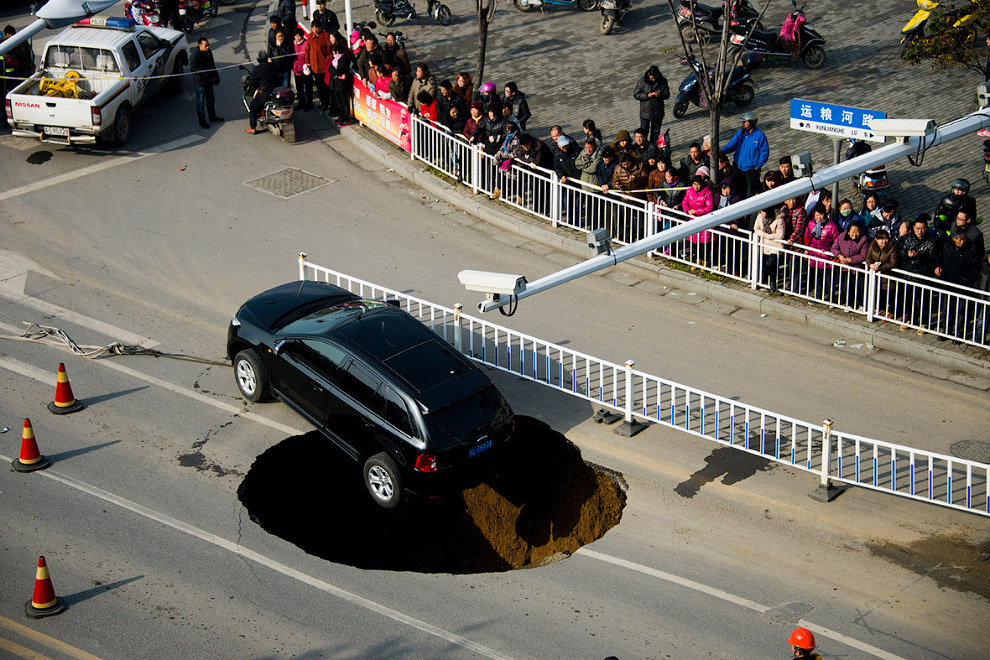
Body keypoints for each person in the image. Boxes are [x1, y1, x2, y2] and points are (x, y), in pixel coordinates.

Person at [935, 229, 983, 341]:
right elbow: (940, 257)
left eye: (964, 239)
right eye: (960, 240)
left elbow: (975, 269)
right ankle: (946, 331)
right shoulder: (947, 246)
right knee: (947, 310)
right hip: (948, 283)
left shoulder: (971, 250)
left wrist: (967, 282)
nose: (962, 242)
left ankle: (960, 334)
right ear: (954, 239)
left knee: (962, 311)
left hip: (963, 286)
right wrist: (937, 266)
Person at [721, 111, 769, 199]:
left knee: (751, 191)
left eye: (745, 122)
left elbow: (764, 152)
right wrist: (722, 151)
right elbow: (732, 144)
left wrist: (757, 167)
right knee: (738, 189)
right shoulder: (740, 133)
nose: (743, 124)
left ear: (751, 123)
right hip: (738, 168)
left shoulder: (760, 136)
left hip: (751, 170)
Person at [804, 203, 842, 298]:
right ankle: (817, 296)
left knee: (829, 279)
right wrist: (806, 250)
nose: (818, 218)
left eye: (820, 215)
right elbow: (807, 238)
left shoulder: (832, 226)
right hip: (814, 256)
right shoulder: (811, 223)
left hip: (827, 257)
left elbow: (836, 242)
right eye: (816, 215)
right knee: (817, 278)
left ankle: (831, 298)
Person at [832, 220, 869, 307]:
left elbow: (863, 255)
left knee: (859, 288)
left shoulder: (864, 240)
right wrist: (840, 256)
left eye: (857, 232)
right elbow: (834, 248)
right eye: (852, 232)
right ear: (848, 231)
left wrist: (849, 260)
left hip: (858, 268)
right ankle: (849, 305)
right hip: (845, 268)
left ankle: (861, 306)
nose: (854, 234)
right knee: (846, 287)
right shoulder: (842, 236)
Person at [189, 37, 223, 129]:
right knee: (200, 103)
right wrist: (202, 72)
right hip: (200, 83)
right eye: (206, 46)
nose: (208, 47)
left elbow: (212, 65)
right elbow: (192, 68)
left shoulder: (209, 53)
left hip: (209, 82)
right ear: (200, 46)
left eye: (208, 45)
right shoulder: (195, 55)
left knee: (211, 100)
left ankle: (212, 116)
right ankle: (202, 121)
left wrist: (216, 77)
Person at [245, 50, 280, 134]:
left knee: (253, 106)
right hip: (276, 91)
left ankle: (252, 128)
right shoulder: (273, 65)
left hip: (266, 93)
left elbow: (253, 81)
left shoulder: (258, 69)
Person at [682, 174, 715, 265]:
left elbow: (709, 208)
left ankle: (705, 261)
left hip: (704, 220)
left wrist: (695, 211)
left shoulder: (708, 193)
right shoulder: (689, 191)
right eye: (694, 184)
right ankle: (697, 260)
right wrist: (688, 210)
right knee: (695, 242)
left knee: (705, 243)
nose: (696, 187)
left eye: (698, 184)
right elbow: (684, 202)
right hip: (694, 220)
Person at [867, 229, 899, 318]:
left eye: (885, 239)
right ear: (876, 239)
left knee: (891, 295)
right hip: (878, 278)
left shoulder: (892, 248)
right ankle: (881, 310)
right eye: (881, 239)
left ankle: (891, 312)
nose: (883, 241)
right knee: (880, 295)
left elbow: (893, 263)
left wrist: (880, 268)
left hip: (889, 277)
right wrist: (871, 265)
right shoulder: (872, 246)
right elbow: (868, 258)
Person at [633, 65, 669, 143]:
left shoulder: (663, 81)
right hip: (645, 113)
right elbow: (636, 94)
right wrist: (647, 96)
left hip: (658, 112)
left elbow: (667, 94)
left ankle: (653, 147)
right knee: (644, 131)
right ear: (649, 74)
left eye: (655, 77)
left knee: (655, 132)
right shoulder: (642, 82)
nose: (654, 79)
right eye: (652, 78)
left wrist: (660, 95)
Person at [754, 207, 786, 291]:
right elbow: (756, 229)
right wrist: (764, 235)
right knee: (764, 265)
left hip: (775, 246)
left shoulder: (779, 219)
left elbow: (780, 235)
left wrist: (767, 236)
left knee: (770, 264)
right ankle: (765, 283)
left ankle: (772, 282)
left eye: (764, 211)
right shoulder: (760, 217)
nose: (762, 213)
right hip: (764, 245)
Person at [305, 22, 331, 110]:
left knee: (325, 87)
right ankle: (322, 101)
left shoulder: (326, 36)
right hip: (314, 66)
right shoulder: (310, 36)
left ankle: (326, 103)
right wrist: (307, 62)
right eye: (314, 28)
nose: (316, 29)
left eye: (317, 27)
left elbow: (329, 51)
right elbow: (307, 50)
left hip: (323, 66)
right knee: (319, 86)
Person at [328, 42, 353, 126]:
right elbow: (330, 68)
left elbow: (339, 71)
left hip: (342, 84)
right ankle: (341, 116)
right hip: (335, 83)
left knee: (344, 101)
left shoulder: (344, 59)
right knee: (338, 101)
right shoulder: (334, 59)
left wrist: (335, 72)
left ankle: (346, 118)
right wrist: (334, 72)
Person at [291, 29, 312, 111]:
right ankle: (301, 103)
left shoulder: (306, 43)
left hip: (306, 69)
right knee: (299, 88)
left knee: (307, 87)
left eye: (299, 36)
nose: (298, 38)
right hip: (296, 69)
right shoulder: (293, 44)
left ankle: (309, 103)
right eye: (296, 36)